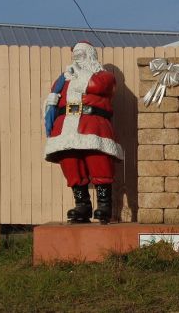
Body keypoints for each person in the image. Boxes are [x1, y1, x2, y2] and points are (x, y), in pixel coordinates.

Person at [43, 41, 123, 224]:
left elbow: (97, 86)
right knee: (70, 162)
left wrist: (79, 74)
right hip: (66, 126)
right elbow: (53, 97)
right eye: (75, 54)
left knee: (98, 161)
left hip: (92, 123)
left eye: (81, 53)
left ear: (91, 56)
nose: (77, 57)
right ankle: (82, 204)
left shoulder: (104, 76)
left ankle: (104, 205)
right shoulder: (63, 80)